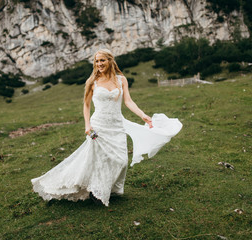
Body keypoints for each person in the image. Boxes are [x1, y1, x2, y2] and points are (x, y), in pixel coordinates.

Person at [31, 49, 182, 206]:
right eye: (96, 61)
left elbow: (128, 101)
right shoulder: (92, 82)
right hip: (99, 126)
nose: (99, 64)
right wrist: (87, 125)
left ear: (110, 60)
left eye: (102, 60)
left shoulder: (121, 80)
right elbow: (86, 105)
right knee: (99, 160)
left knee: (121, 161)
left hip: (117, 125)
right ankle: (96, 193)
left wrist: (142, 115)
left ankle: (108, 188)